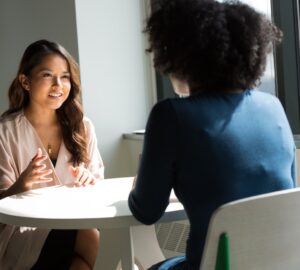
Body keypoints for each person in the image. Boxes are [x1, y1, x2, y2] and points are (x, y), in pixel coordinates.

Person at [128, 0, 296, 269]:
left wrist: (139, 186)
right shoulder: (273, 108)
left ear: (182, 57)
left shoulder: (170, 115)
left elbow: (146, 211)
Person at [0, 40, 104, 270]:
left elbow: (99, 190)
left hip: (75, 227)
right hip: (22, 238)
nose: (59, 85)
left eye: (65, 76)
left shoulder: (82, 127)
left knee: (91, 239)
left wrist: (89, 182)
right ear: (25, 81)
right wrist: (20, 186)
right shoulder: (5, 132)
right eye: (48, 75)